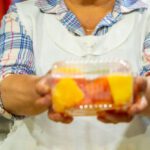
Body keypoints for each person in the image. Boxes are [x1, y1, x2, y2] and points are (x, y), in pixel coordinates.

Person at [0, 0, 150, 149]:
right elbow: (7, 86)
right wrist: (41, 89)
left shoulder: (146, 14)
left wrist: (140, 92)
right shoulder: (23, 15)